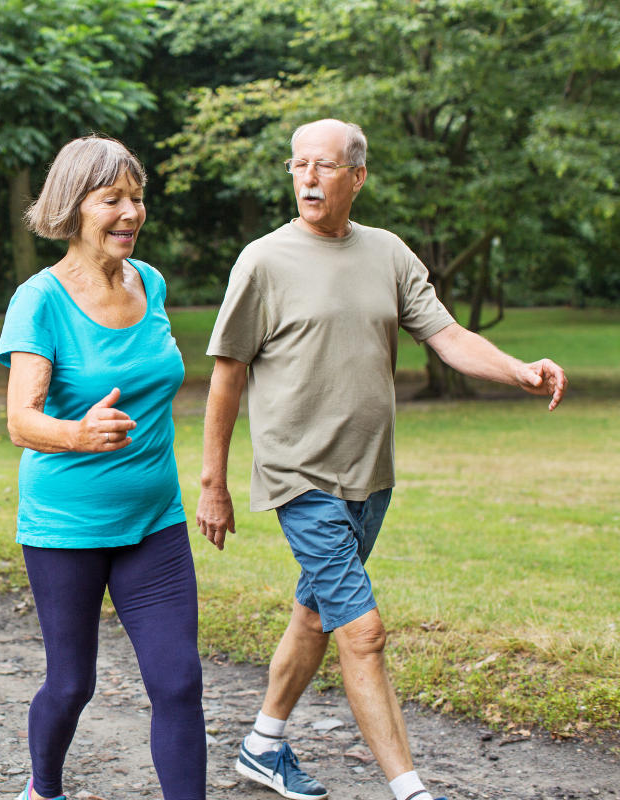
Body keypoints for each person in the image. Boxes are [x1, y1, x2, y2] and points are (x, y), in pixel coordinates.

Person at [197, 119, 567, 800]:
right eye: (299, 165)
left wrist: (519, 370)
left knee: (316, 613)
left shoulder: (388, 253)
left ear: (357, 178)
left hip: (371, 476)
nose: (308, 177)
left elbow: (446, 333)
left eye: (325, 166)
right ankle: (411, 790)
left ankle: (261, 747)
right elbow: (227, 374)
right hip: (299, 477)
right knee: (362, 633)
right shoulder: (264, 261)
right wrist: (213, 482)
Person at [0, 136, 206, 800]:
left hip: (155, 521)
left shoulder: (152, 282)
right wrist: (78, 433)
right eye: (111, 198)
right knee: (71, 684)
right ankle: (43, 788)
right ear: (73, 206)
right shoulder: (41, 299)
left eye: (137, 198)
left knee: (178, 681)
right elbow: (19, 421)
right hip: (67, 527)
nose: (130, 213)